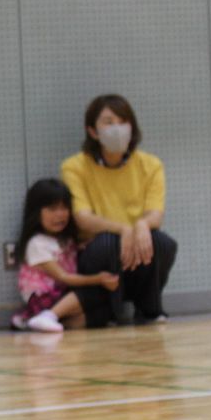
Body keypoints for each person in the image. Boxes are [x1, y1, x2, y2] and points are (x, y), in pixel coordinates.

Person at [60, 94, 175, 327]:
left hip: (136, 246)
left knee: (163, 243)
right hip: (97, 249)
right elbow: (83, 218)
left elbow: (155, 213)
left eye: (123, 121)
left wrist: (141, 226)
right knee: (108, 243)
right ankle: (111, 312)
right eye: (108, 122)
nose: (117, 128)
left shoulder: (151, 164)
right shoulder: (74, 166)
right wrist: (123, 229)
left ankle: (150, 310)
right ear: (93, 131)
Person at [10, 178, 115, 334]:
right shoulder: (36, 244)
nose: (60, 215)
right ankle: (48, 315)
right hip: (43, 299)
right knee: (92, 291)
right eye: (52, 209)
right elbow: (64, 277)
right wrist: (98, 278)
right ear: (36, 212)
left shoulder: (65, 239)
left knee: (102, 314)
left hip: (61, 295)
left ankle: (44, 321)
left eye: (64, 208)